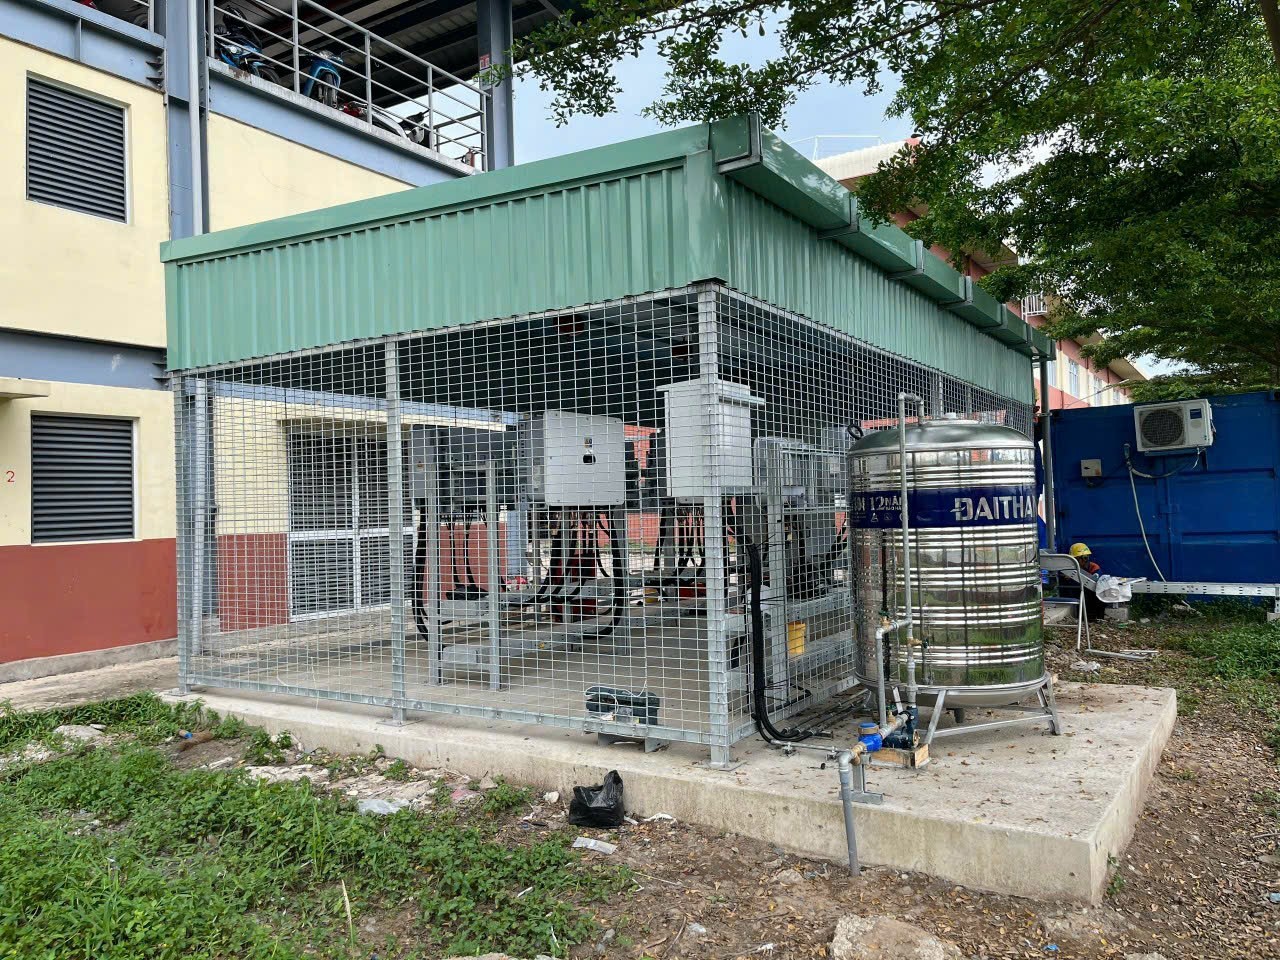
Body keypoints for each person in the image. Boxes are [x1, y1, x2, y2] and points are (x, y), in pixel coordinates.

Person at [1063, 542, 1107, 620]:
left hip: (1090, 596)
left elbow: (1096, 582)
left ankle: (1097, 618)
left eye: (1085, 558)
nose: (1085, 560)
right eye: (1075, 559)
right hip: (1076, 595)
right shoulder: (1069, 569)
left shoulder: (1094, 567)